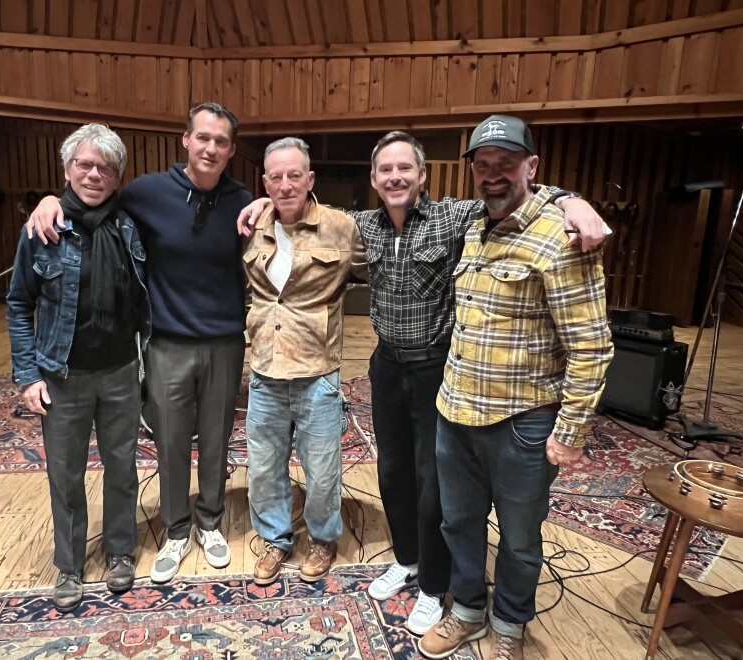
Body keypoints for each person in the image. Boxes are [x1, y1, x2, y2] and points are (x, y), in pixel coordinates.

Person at [237, 131, 607, 634]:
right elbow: (298, 213)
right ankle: (407, 559)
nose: (395, 177)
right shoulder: (359, 226)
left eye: (404, 169)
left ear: (422, 174)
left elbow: (514, 194)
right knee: (393, 474)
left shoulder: (457, 218)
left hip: (438, 366)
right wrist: (269, 200)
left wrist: (572, 200)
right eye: (385, 170)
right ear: (372, 179)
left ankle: (434, 585)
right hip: (387, 366)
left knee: (435, 483)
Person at [27, 103, 252, 583]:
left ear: (231, 150)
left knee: (215, 437)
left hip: (226, 342)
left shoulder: (244, 201)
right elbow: (91, 197)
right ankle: (175, 527)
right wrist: (50, 198)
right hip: (166, 342)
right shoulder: (147, 193)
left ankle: (210, 520)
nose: (210, 147)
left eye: (221, 141)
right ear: (185, 140)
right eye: (202, 137)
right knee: (170, 441)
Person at [418, 115, 614, 659]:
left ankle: (509, 624)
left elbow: (592, 345)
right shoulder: (475, 228)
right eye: (484, 167)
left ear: (531, 166)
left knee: (521, 538)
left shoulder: (561, 238)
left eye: (506, 165)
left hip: (522, 423)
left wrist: (571, 431)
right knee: (457, 522)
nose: (493, 176)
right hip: (454, 414)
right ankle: (467, 610)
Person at [7, 124, 151, 612]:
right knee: (65, 475)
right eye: (84, 164)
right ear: (68, 169)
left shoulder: (130, 225)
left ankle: (119, 553)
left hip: (119, 372)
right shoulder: (42, 229)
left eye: (104, 167)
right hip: (60, 376)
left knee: (122, 468)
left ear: (116, 177)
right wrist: (27, 375)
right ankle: (68, 564)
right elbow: (17, 304)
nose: (94, 173)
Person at [243, 137, 367, 586]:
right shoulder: (253, 223)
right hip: (264, 370)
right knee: (264, 467)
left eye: (294, 174)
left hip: (317, 372)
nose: (285, 183)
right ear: (265, 182)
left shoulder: (342, 227)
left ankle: (322, 538)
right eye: (275, 177)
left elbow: (383, 258)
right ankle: (276, 539)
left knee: (321, 469)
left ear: (310, 179)